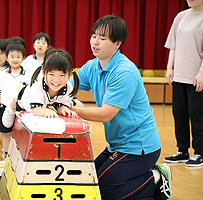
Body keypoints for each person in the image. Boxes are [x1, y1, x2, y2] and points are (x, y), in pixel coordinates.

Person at [70, 15, 172, 199]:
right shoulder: (92, 66)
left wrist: (75, 110)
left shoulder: (124, 71)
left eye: (103, 38)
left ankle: (155, 178)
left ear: (117, 43)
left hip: (139, 148)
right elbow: (68, 86)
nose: (96, 42)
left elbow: (106, 114)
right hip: (117, 144)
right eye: (94, 36)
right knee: (89, 181)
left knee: (101, 191)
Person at [164, 0, 203, 167]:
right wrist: (169, 67)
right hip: (179, 75)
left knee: (197, 115)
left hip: (197, 76)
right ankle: (182, 150)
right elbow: (173, 45)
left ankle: (200, 151)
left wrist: (202, 73)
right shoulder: (180, 17)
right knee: (179, 113)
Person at [2, 48, 79, 130]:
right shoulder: (37, 84)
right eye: (51, 74)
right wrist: (45, 111)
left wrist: (63, 109)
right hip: (25, 99)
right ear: (43, 71)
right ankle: (11, 107)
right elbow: (35, 110)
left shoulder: (68, 86)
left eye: (62, 75)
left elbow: (60, 105)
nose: (56, 80)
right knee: (11, 116)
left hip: (47, 104)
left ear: (69, 74)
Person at [0, 42, 29, 160]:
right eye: (12, 56)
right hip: (4, 107)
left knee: (20, 133)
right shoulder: (2, 74)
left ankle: (19, 158)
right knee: (5, 132)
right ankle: (6, 156)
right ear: (7, 58)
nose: (15, 59)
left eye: (18, 57)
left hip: (20, 109)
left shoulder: (27, 75)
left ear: (23, 58)